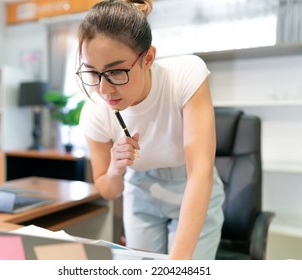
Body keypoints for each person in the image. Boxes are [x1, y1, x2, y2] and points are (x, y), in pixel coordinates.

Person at [77, 0, 225, 260]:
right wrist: (115, 168)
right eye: (92, 73)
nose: (104, 89)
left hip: (191, 186)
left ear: (148, 58)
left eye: (116, 72)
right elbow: (109, 189)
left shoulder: (185, 76)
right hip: (141, 192)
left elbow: (200, 172)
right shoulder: (95, 111)